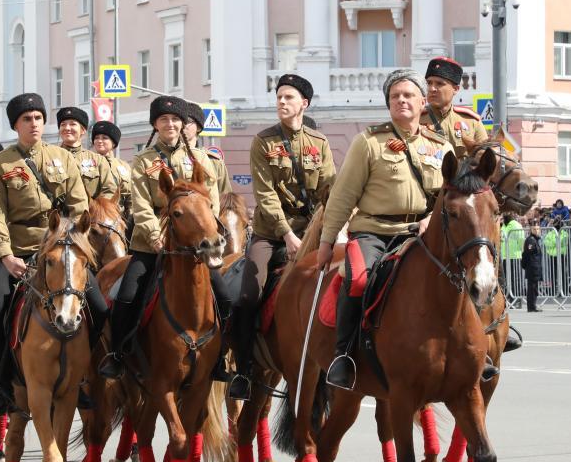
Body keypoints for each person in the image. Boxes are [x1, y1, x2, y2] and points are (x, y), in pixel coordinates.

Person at [317, 69, 453, 390]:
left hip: (420, 232)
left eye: (408, 95)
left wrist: (432, 220)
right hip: (374, 232)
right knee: (358, 280)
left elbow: (450, 196)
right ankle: (345, 356)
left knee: (462, 272)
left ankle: (477, 346)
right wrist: (326, 242)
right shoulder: (369, 143)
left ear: (422, 102)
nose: (401, 100)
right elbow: (342, 196)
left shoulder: (441, 147)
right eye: (395, 96)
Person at [0, 93, 103, 416]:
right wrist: (6, 257)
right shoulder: (0, 165)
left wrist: (70, 242)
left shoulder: (63, 160)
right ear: (15, 125)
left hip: (60, 250)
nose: (33, 124)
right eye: (26, 119)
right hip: (18, 252)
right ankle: (2, 386)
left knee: (101, 307)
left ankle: (85, 378)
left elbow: (79, 205)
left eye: (37, 118)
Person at [99, 95, 222, 379]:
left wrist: (209, 231)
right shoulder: (143, 161)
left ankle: (220, 359)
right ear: (155, 124)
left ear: (183, 124)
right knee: (127, 296)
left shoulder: (200, 159)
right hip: (151, 245)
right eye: (164, 120)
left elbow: (211, 200)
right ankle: (118, 354)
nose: (170, 124)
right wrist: (155, 235)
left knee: (225, 295)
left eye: (175, 119)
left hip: (196, 246)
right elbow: (141, 205)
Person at [230, 74, 335, 400]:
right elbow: (265, 194)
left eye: (288, 97)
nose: (281, 102)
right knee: (247, 294)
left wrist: (332, 229)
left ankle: (340, 360)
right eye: (278, 97)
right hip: (271, 235)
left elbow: (329, 190)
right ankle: (244, 370)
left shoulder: (319, 144)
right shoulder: (263, 142)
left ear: (304, 103)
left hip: (311, 233)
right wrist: (287, 234)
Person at [422, 56, 488, 154]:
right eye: (429, 83)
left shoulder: (471, 121)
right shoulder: (416, 119)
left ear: (456, 89)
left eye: (439, 84)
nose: (432, 89)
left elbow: (484, 159)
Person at [57, 106, 118, 201]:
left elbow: (109, 190)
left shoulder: (98, 160)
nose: (67, 128)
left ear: (83, 130)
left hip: (91, 213)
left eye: (73, 124)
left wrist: (97, 209)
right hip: (57, 214)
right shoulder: (50, 157)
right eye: (63, 124)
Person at [185, 102, 233, 194]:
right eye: (179, 121)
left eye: (187, 122)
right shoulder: (167, 157)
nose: (182, 126)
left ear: (198, 127)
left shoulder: (214, 161)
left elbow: (225, 196)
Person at [91, 120, 133, 215]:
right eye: (96, 138)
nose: (100, 141)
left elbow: (131, 194)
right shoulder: (88, 163)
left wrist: (131, 216)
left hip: (121, 217)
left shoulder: (123, 165)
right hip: (96, 216)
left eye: (105, 138)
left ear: (113, 143)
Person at [521, 222, 543, 312]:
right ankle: (531, 307)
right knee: (532, 288)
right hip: (532, 267)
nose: (536, 231)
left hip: (535, 267)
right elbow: (527, 253)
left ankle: (532, 305)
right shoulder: (531, 240)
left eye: (538, 229)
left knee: (534, 288)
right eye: (534, 229)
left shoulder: (535, 240)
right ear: (531, 230)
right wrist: (525, 265)